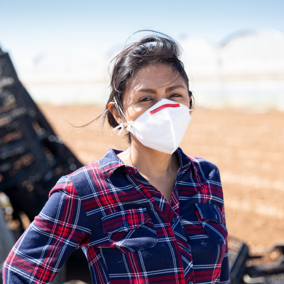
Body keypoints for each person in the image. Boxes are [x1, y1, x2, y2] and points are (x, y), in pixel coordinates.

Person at [3, 32, 230, 284]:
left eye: (175, 95)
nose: (164, 108)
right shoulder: (83, 189)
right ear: (119, 113)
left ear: (190, 100)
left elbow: (222, 272)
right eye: (146, 98)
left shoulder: (206, 177)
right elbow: (19, 273)